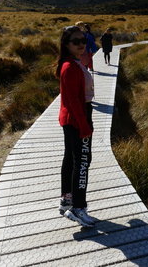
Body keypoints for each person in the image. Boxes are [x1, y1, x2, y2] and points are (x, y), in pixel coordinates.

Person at [56, 25, 95, 227]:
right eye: (76, 41)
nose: (81, 44)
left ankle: (67, 199)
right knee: (82, 162)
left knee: (71, 159)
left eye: (83, 40)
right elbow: (73, 101)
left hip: (70, 119)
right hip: (77, 118)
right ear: (66, 44)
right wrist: (85, 126)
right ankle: (79, 207)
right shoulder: (70, 67)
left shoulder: (71, 63)